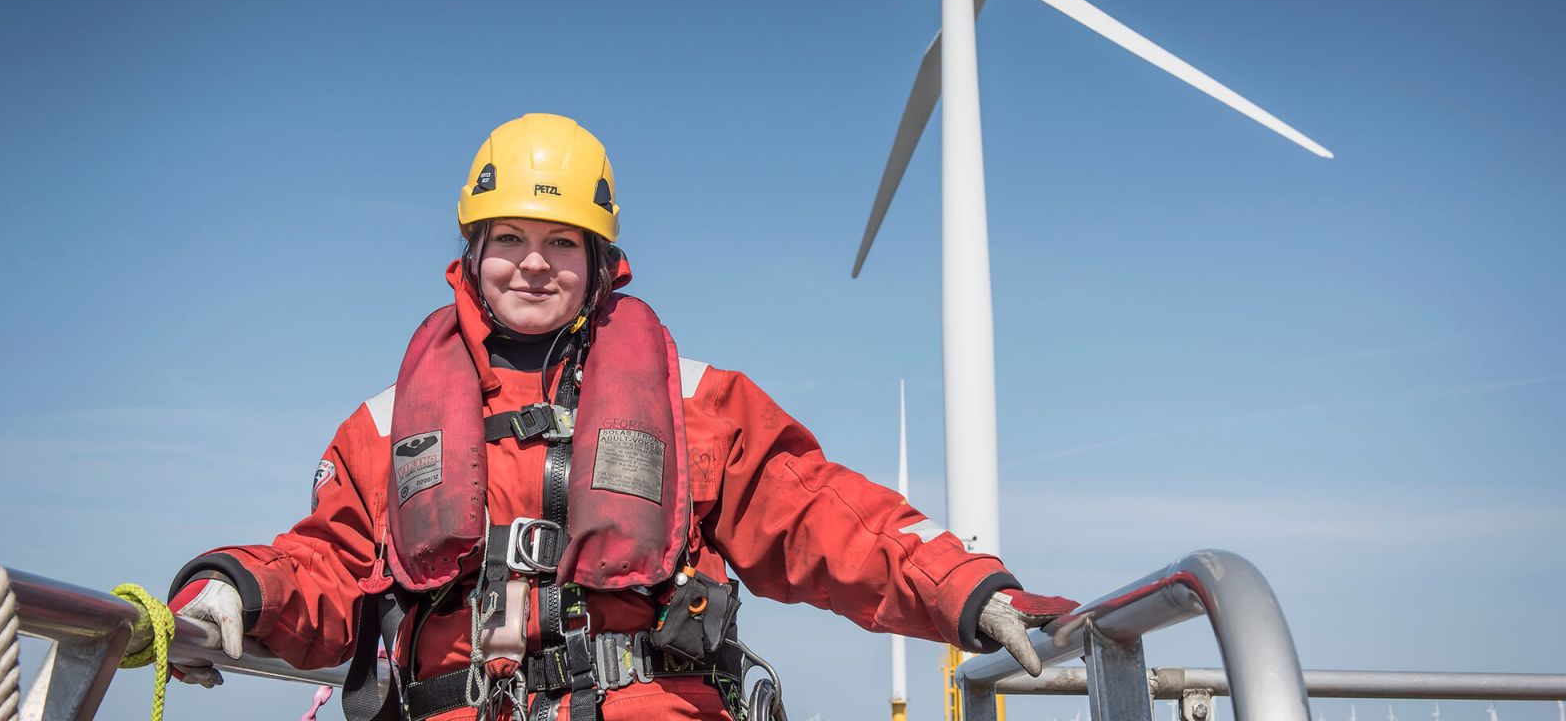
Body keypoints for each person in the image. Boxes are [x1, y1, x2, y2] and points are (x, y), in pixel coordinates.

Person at [157, 113, 1079, 721]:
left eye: (562, 243)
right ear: (470, 254)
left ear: (604, 264)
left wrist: (968, 590)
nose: (532, 264)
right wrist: (237, 589)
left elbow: (828, 521)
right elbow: (329, 565)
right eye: (507, 240)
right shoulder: (386, 424)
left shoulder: (696, 403)